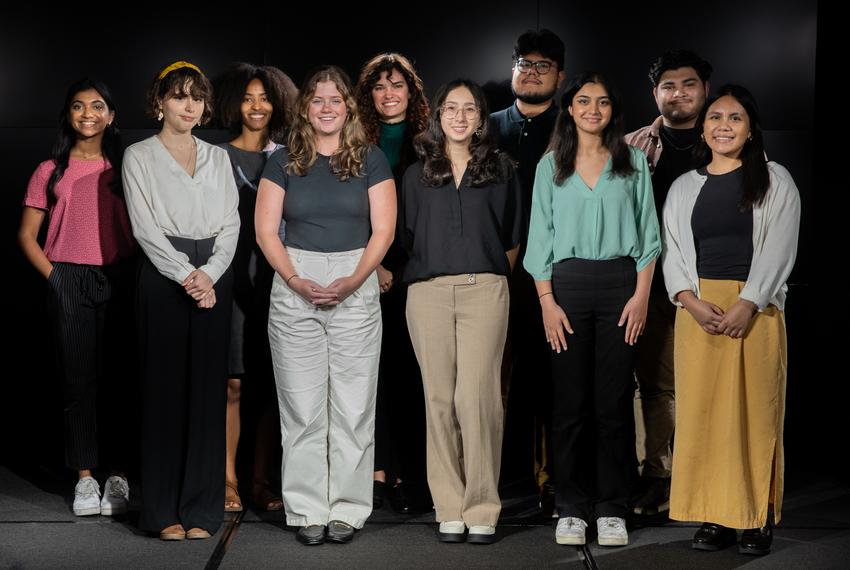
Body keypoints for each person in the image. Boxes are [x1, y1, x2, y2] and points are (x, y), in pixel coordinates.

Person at [255, 65, 395, 546]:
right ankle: (308, 510)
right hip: (295, 279)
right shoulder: (283, 161)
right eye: (318, 100)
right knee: (301, 406)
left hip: (355, 278)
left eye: (336, 100)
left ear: (348, 108)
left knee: (354, 405)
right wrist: (294, 278)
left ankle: (349, 509)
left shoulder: (371, 159)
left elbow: (384, 231)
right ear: (305, 109)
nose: (328, 107)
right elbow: (266, 230)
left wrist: (355, 279)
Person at [662, 84, 800, 556]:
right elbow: (672, 253)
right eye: (716, 117)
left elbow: (780, 246)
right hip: (699, 310)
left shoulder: (775, 179)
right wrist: (690, 301)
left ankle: (755, 519)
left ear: (750, 128)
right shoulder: (684, 186)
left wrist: (749, 302)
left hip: (755, 311)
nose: (724, 125)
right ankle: (714, 518)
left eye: (735, 118)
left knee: (754, 418)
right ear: (703, 126)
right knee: (702, 418)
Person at [524, 72, 660, 547]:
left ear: (612, 110)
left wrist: (641, 296)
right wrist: (546, 302)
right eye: (583, 101)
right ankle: (571, 506)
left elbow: (649, 238)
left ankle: (611, 507)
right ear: (570, 107)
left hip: (622, 285)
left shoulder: (634, 162)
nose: (593, 110)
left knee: (614, 402)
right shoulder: (550, 166)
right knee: (569, 404)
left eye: (602, 102)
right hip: (567, 288)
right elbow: (538, 239)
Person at [400, 79, 522, 544]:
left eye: (469, 109)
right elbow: (409, 237)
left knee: (478, 400)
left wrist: (483, 276)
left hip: (484, 291)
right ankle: (448, 507)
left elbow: (512, 239)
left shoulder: (503, 170)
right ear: (438, 115)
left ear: (480, 118)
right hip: (428, 293)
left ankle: (483, 507)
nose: (459, 116)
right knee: (438, 400)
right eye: (450, 108)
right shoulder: (415, 174)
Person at [122, 61, 240, 540]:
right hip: (164, 274)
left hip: (214, 274)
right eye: (178, 96)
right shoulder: (139, 156)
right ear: (159, 102)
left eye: (196, 97)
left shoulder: (217, 157)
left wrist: (209, 274)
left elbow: (231, 222)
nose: (189, 105)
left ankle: (201, 509)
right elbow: (144, 228)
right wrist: (186, 274)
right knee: (164, 393)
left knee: (207, 394)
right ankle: (162, 511)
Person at [18, 78, 137, 518]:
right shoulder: (51, 170)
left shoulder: (127, 167)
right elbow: (27, 236)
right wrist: (56, 277)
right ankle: (85, 479)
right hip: (68, 275)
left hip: (120, 276)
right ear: (68, 115)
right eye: (78, 106)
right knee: (77, 380)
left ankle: (119, 476)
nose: (87, 113)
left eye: (97, 106)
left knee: (122, 377)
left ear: (111, 115)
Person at [624, 50, 713, 515]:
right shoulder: (633, 145)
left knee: (707, 383)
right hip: (651, 284)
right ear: (655, 93)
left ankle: (704, 476)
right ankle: (657, 474)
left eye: (689, 84)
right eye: (668, 86)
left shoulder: (725, 137)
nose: (678, 93)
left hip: (712, 282)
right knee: (655, 385)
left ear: (705, 89)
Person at [489, 28, 566, 517]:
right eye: (524, 63)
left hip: (553, 276)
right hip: (491, 270)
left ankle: (550, 481)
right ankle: (486, 480)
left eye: (543, 65)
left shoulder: (574, 125)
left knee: (549, 384)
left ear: (559, 75)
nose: (532, 72)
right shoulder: (485, 124)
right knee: (486, 379)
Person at [215, 62, 298, 514]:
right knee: (232, 383)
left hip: (279, 278)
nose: (256, 106)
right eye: (247, 97)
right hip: (229, 278)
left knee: (270, 384)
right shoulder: (215, 156)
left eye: (264, 97)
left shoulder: (289, 156)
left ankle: (262, 481)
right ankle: (227, 479)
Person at [355, 52, 430, 514]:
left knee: (411, 376)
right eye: (380, 86)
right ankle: (378, 471)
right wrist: (377, 265)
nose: (389, 94)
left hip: (417, 271)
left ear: (411, 91)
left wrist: (403, 268)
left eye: (397, 85)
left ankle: (408, 473)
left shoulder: (429, 143)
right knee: (371, 376)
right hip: (367, 270)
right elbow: (353, 210)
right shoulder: (357, 141)